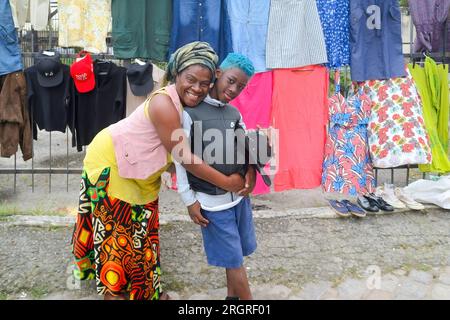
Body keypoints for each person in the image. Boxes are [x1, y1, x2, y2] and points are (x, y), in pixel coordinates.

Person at [71, 42, 254, 300]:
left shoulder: (196, 106)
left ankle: (143, 292)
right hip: (110, 163)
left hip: (142, 172)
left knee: (142, 235)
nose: (197, 88)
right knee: (115, 236)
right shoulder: (164, 104)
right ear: (176, 73)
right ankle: (113, 295)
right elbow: (185, 157)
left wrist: (248, 170)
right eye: (191, 79)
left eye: (204, 83)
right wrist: (227, 181)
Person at [174, 53, 259, 300]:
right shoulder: (190, 113)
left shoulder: (234, 114)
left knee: (236, 254)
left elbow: (246, 146)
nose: (234, 89)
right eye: (231, 81)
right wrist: (189, 200)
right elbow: (181, 159)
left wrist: (251, 171)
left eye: (241, 86)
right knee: (234, 263)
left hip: (239, 200)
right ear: (218, 74)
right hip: (212, 204)